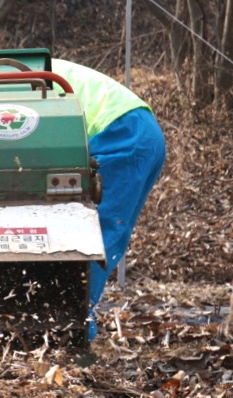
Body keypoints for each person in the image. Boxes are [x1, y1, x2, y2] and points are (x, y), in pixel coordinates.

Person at [50, 59, 167, 340]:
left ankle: (70, 333)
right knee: (92, 232)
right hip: (133, 127)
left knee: (89, 235)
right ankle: (66, 326)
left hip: (122, 133)